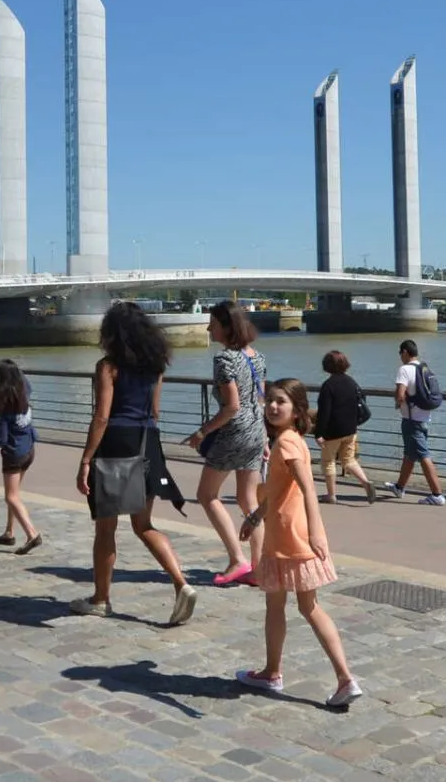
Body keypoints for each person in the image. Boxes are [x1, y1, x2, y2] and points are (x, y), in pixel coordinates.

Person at [234, 378, 363, 708]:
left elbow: (307, 488)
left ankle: (279, 673)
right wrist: (255, 517)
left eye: (282, 402)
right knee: (305, 606)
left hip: (289, 538)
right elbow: (282, 490)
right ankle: (338, 677)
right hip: (288, 532)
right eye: (271, 401)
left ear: (297, 410)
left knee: (283, 606)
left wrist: (317, 532)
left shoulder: (287, 444)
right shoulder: (293, 440)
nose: (273, 407)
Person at [70, 301, 197, 625]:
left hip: (116, 443)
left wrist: (85, 460)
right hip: (148, 443)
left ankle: (101, 599)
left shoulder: (108, 366)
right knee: (144, 525)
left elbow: (101, 416)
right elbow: (154, 412)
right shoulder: (156, 367)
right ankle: (181, 583)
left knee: (106, 528)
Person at [182, 301, 268, 587]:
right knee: (249, 500)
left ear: (227, 327)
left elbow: (231, 406)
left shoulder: (224, 360)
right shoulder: (257, 356)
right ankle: (259, 566)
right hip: (256, 430)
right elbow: (260, 399)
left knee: (207, 495)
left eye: (213, 324)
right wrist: (265, 436)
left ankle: (237, 559)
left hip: (234, 432)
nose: (208, 328)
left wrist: (202, 432)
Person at [0, 359, 41, 554]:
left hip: (14, 453)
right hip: (29, 448)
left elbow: (1, 439)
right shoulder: (24, 393)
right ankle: (9, 532)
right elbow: (23, 379)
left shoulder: (2, 405)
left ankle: (32, 534)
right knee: (14, 494)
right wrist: (15, 370)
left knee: (11, 496)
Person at [313, 351, 375, 504]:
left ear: (327, 367)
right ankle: (366, 482)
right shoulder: (352, 382)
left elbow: (324, 412)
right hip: (351, 429)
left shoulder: (328, 386)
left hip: (333, 431)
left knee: (328, 461)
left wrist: (319, 433)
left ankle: (331, 495)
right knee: (349, 460)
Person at [389, 340, 446, 505]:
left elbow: (400, 394)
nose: (400, 356)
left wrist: (397, 404)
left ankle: (437, 495)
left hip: (411, 420)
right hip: (424, 417)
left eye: (400, 353)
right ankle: (399, 487)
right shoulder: (424, 367)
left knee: (423, 456)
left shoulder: (404, 369)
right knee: (410, 454)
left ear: (405, 352)